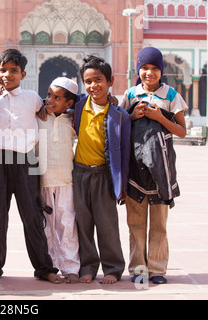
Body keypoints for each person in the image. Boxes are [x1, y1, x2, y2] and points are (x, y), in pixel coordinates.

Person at [0, 49, 62, 284]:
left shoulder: (32, 98)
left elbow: (55, 108)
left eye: (14, 70)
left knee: (32, 214)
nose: (8, 74)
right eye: (3, 70)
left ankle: (44, 268)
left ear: (23, 74)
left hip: (26, 160)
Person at [120, 47, 187, 285]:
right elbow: (120, 128)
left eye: (155, 68)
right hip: (136, 168)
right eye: (145, 68)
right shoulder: (130, 94)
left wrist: (159, 117)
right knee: (135, 224)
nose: (149, 73)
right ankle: (138, 268)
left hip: (162, 168)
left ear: (161, 70)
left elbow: (181, 131)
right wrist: (133, 116)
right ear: (138, 69)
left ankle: (157, 268)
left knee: (159, 223)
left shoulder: (171, 95)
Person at [73, 55, 131, 284]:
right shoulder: (77, 107)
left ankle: (113, 268)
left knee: (107, 224)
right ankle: (87, 266)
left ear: (110, 82)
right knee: (83, 223)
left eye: (98, 80)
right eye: (88, 81)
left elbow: (125, 154)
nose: (93, 86)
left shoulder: (119, 115)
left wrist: (122, 184)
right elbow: (53, 102)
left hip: (104, 176)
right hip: (79, 173)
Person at [37, 77, 80, 284]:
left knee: (67, 223)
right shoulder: (39, 117)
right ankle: (51, 265)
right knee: (47, 226)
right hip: (44, 181)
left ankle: (71, 266)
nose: (50, 101)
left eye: (57, 98)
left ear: (69, 104)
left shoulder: (73, 120)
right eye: (48, 95)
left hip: (66, 180)